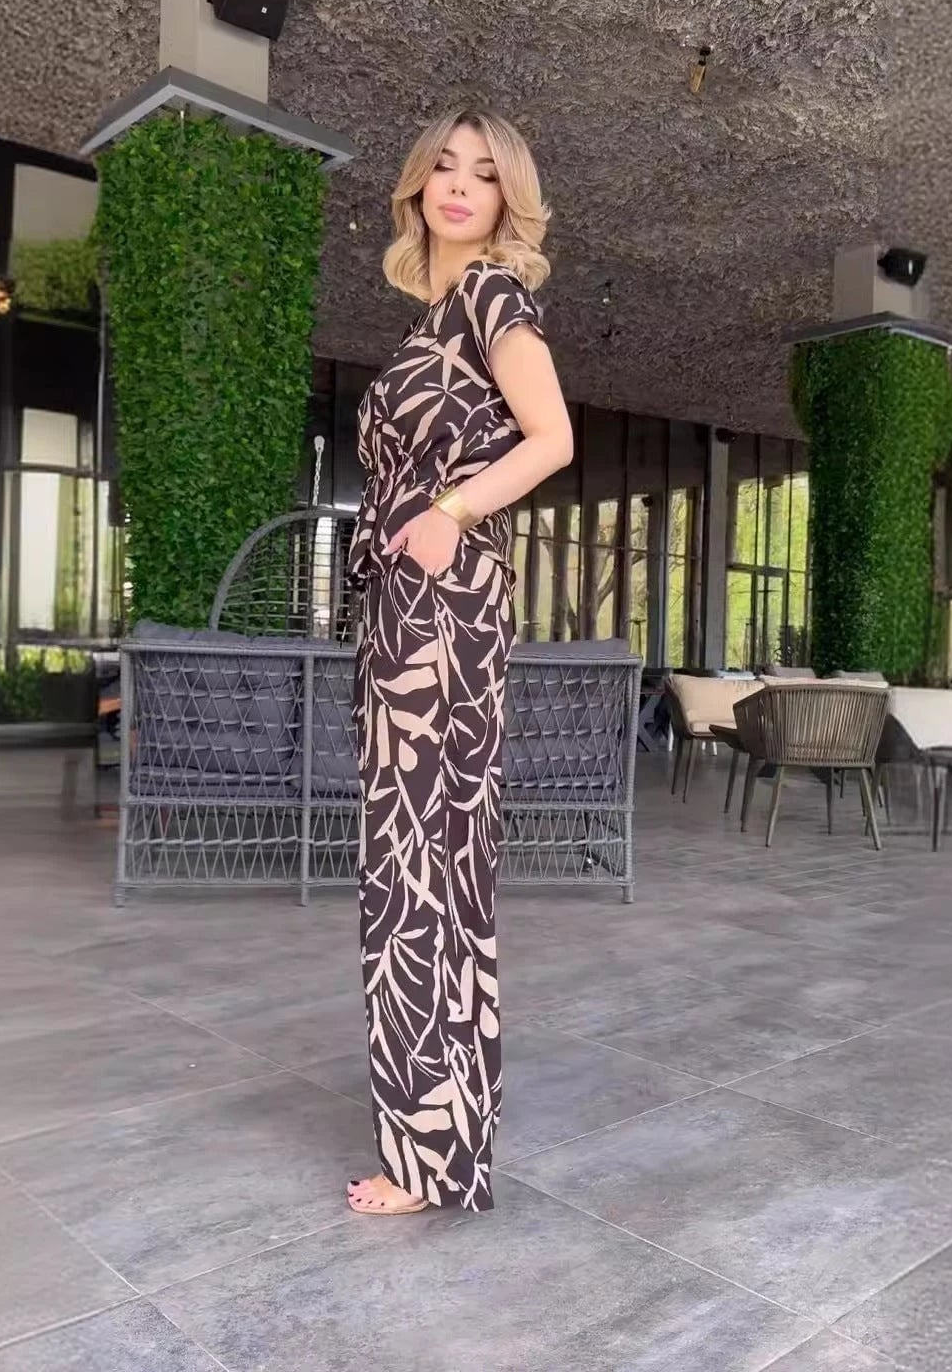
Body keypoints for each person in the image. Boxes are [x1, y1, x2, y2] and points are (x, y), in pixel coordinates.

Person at [345, 108, 573, 1214]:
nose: (459, 185)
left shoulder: (490, 296)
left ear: (504, 201)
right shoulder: (430, 317)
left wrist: (449, 510)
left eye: (484, 174)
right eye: (443, 165)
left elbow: (554, 438)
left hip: (446, 608)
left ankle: (432, 1158)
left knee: (425, 867)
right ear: (416, 185)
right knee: (410, 864)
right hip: (404, 611)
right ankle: (433, 1139)